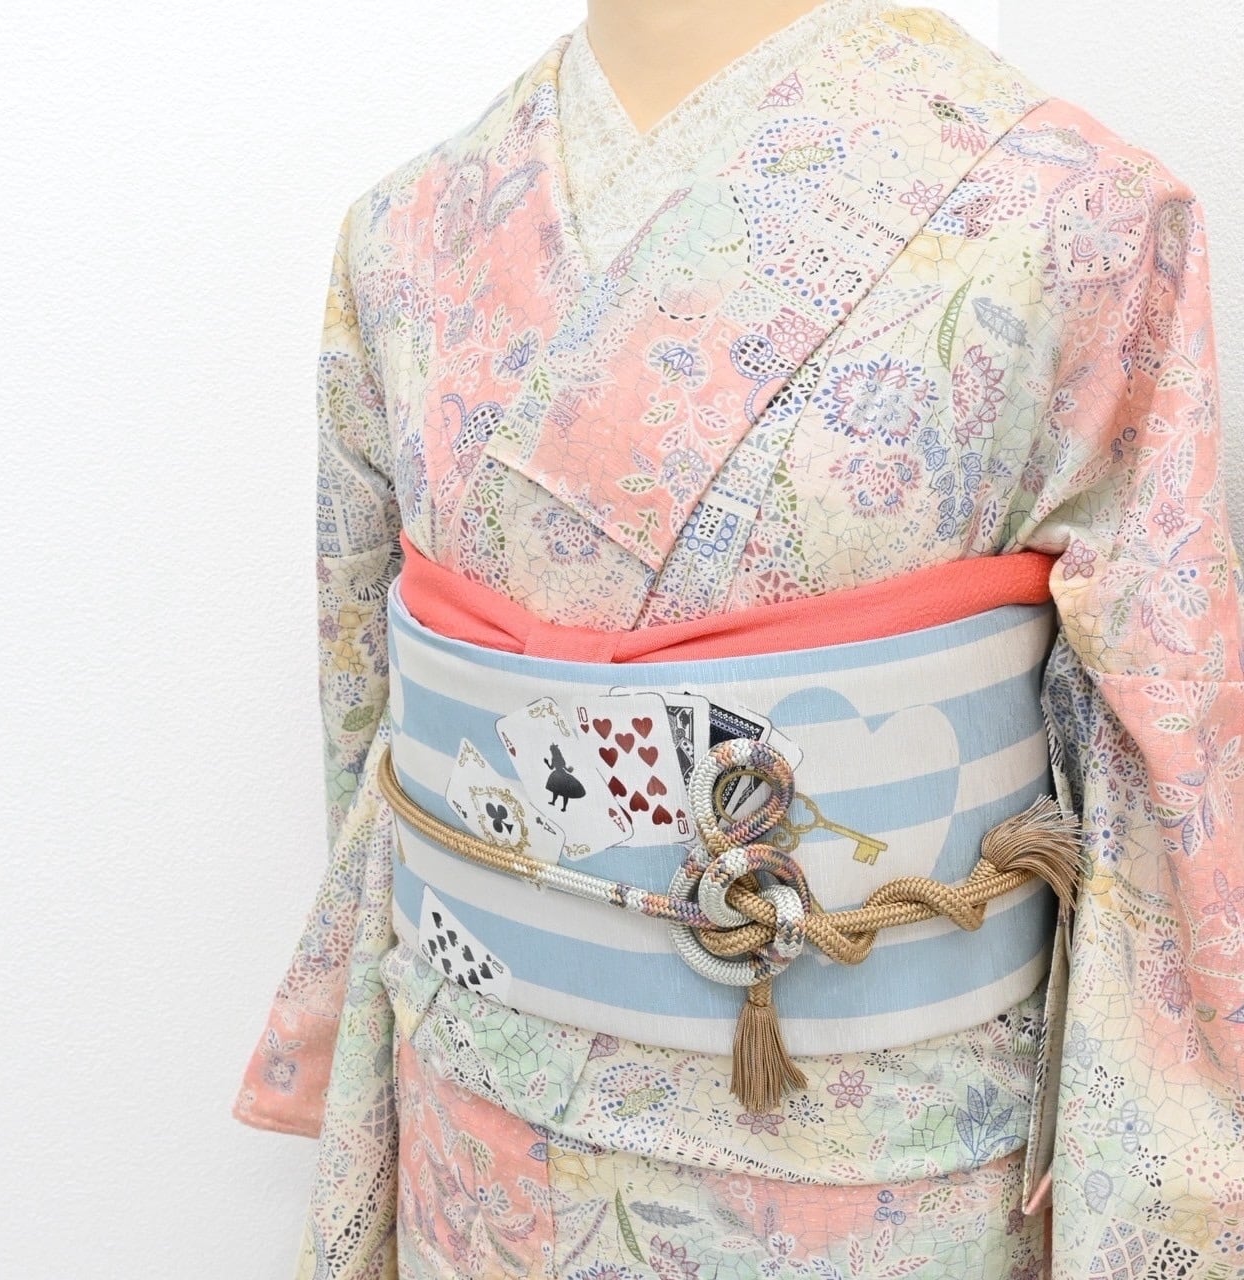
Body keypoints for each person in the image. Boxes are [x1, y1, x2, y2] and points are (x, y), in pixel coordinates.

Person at [233, 2, 1244, 1276]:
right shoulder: (406, 233)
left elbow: (1168, 778)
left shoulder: (1082, 217)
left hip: (873, 1158)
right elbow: (373, 722)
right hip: (473, 1125)